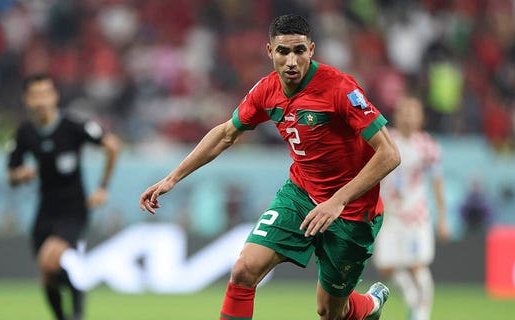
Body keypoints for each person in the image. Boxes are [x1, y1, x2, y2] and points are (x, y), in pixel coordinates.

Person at [139, 14, 400, 320]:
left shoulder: (340, 89)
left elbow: (390, 154)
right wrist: (172, 178)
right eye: (283, 51)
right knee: (244, 270)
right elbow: (225, 134)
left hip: (352, 210)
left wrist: (337, 201)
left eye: (299, 51)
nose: (291, 61)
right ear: (269, 51)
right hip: (301, 194)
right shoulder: (266, 91)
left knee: (330, 312)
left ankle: (369, 305)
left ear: (312, 50)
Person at [7, 73, 120, 320]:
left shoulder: (72, 126)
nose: (41, 101)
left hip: (74, 209)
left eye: (46, 94)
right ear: (26, 99)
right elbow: (11, 175)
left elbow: (112, 146)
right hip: (45, 210)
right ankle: (63, 315)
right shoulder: (25, 133)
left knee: (49, 261)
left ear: (55, 96)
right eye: (35, 95)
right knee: (47, 274)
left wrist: (103, 187)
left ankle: (77, 305)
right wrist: (20, 175)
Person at [373, 96, 448, 320]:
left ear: (421, 117)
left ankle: (421, 314)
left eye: (412, 112)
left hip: (416, 217)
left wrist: (442, 217)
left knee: (417, 265)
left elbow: (437, 182)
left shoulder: (428, 146)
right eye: (403, 111)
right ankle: (411, 295)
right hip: (389, 215)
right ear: (396, 115)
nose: (407, 116)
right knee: (385, 266)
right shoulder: (386, 139)